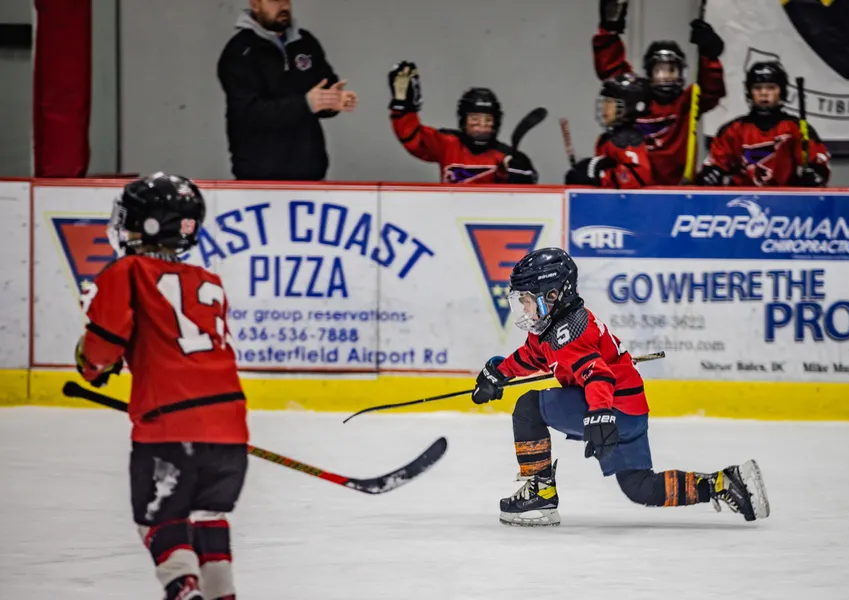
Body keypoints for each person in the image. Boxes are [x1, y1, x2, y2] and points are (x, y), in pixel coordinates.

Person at [471, 247, 770, 527]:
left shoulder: (567, 333)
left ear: (552, 295)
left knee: (528, 408)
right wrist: (498, 373)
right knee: (640, 487)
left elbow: (598, 375)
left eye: (526, 300)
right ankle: (725, 482)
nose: (523, 308)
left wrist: (601, 414)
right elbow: (533, 356)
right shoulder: (554, 326)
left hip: (610, 408)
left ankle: (540, 495)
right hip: (631, 410)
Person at [75, 173, 248, 599]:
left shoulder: (127, 272)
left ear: (149, 225)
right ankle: (220, 594)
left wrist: (91, 360)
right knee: (208, 518)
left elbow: (99, 355)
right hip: (230, 430)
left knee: (158, 520)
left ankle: (182, 586)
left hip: (169, 428)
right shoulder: (209, 281)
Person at [217, 0, 358, 181]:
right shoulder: (240, 52)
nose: (283, 7)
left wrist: (332, 102)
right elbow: (248, 112)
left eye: (286, 1)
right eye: (275, 1)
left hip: (309, 170)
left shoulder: (305, 42)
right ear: (255, 5)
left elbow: (323, 86)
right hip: (258, 174)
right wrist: (307, 103)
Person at [593, 0, 726, 184]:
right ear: (648, 72)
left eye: (671, 70)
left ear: (682, 73)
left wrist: (710, 56)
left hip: (680, 190)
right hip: (637, 185)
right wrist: (609, 31)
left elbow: (712, 90)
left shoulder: (688, 102)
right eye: (659, 70)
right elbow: (612, 71)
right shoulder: (636, 97)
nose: (665, 76)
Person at [387, 61, 538, 184]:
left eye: (488, 120)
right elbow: (412, 137)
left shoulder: (505, 156)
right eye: (474, 119)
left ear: (496, 123)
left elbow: (530, 187)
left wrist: (520, 170)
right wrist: (403, 106)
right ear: (463, 121)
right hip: (451, 217)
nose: (481, 125)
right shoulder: (448, 143)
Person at [698, 61, 831, 187]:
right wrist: (712, 173)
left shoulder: (795, 128)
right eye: (757, 88)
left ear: (782, 92)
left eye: (771, 88)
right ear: (749, 92)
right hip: (741, 201)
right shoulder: (733, 130)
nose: (764, 93)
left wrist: (815, 173)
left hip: (787, 202)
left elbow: (819, 162)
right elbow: (715, 164)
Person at [565, 73, 653, 188]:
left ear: (630, 107)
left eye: (610, 102)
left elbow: (638, 176)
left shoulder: (627, 139)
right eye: (605, 101)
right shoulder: (608, 137)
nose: (604, 107)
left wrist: (601, 177)